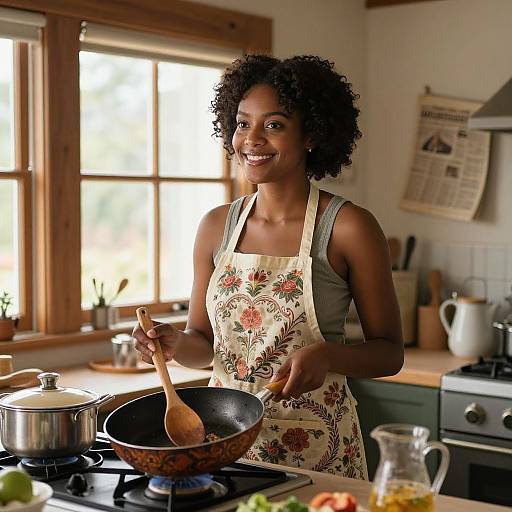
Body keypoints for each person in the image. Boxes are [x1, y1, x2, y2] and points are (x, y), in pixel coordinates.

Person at [133, 54, 403, 479]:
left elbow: (389, 353)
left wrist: (328, 355)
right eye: (242, 123)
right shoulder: (215, 227)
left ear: (311, 134)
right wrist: (172, 344)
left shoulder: (350, 228)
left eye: (273, 125)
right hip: (223, 444)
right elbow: (203, 345)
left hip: (318, 450)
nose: (251, 139)